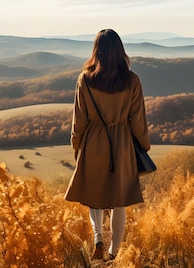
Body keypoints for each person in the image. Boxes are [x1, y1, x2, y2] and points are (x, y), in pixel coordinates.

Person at [64, 29, 150, 262]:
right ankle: (113, 253)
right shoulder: (132, 80)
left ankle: (98, 238)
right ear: (120, 50)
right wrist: (143, 145)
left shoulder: (85, 79)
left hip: (93, 142)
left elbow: (78, 119)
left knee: (95, 196)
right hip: (121, 144)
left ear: (96, 50)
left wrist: (77, 145)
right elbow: (138, 120)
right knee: (119, 200)